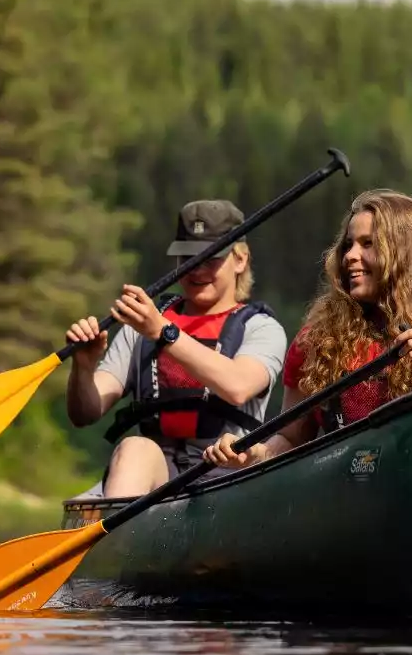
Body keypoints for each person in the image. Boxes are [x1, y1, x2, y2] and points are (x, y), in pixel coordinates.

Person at [202, 189, 412, 471]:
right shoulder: (316, 340)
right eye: (348, 245)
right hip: (346, 490)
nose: (349, 256)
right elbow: (291, 439)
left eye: (368, 244)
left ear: (407, 254)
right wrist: (252, 453)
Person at [63, 199, 287, 497]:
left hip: (225, 476)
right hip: (155, 473)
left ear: (241, 260)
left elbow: (237, 387)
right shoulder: (140, 327)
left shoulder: (262, 328)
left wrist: (162, 332)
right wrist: (84, 366)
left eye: (210, 259)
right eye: (188, 258)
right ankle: (118, 541)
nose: (196, 270)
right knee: (134, 447)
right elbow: (85, 413)